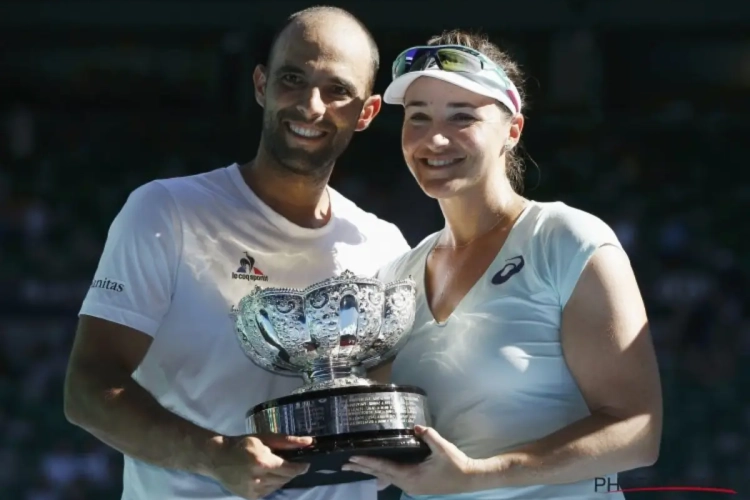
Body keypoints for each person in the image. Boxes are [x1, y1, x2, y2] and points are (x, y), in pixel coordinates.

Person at [63, 6, 409, 500]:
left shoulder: (384, 244)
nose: (311, 106)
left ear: (367, 111)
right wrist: (215, 453)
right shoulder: (166, 211)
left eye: (337, 90)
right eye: (293, 78)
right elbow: (87, 392)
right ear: (261, 85)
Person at [343, 30, 663, 499]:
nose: (435, 137)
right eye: (419, 117)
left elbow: (639, 431)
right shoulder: (397, 275)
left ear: (512, 130)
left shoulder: (565, 239)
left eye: (462, 117)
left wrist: (480, 475)